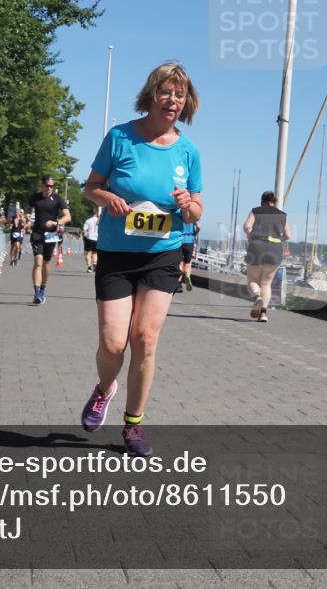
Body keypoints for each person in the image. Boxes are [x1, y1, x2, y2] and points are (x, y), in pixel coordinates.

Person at [80, 62, 202, 456]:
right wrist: (108, 198)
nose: (172, 100)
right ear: (151, 95)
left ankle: (133, 424)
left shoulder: (188, 150)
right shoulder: (120, 138)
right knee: (113, 344)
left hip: (161, 256)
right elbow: (90, 187)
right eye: (166, 92)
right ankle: (104, 389)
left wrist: (189, 205)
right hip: (116, 253)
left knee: (145, 340)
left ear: (187, 104)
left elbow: (198, 209)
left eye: (179, 95)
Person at [243, 191, 291, 323]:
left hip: (256, 248)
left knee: (252, 280)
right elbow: (288, 235)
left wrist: (251, 235)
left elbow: (247, 226)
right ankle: (263, 314)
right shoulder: (282, 215)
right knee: (266, 283)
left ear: (262, 201)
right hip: (275, 250)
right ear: (274, 202)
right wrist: (278, 240)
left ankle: (257, 297)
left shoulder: (256, 211)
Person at [28, 175, 71, 304]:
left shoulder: (58, 199)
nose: (49, 188)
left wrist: (56, 222)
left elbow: (68, 216)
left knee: (46, 263)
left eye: (51, 186)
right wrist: (28, 216)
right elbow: (29, 210)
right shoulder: (35, 197)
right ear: (42, 185)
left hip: (51, 235)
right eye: (47, 186)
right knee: (38, 262)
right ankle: (36, 294)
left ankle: (42, 289)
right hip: (37, 233)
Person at [178, 221, 199, 291]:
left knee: (180, 263)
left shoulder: (181, 213)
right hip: (190, 241)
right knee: (187, 263)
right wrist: (194, 234)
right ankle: (187, 276)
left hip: (180, 240)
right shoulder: (193, 215)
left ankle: (179, 284)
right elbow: (199, 227)